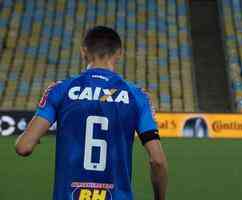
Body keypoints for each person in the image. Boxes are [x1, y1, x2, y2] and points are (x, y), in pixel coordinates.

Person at [15, 26, 168, 200]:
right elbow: (158, 161)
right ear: (119, 53)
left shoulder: (60, 90)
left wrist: (27, 139)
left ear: (83, 51)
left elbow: (23, 147)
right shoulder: (137, 96)